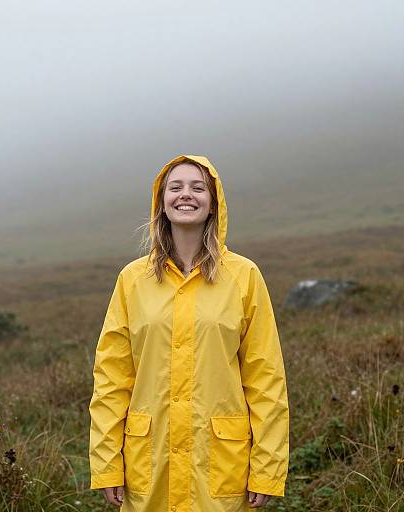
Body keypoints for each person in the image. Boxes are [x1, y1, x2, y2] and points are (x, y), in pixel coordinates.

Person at [88, 155, 289, 511]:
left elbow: (266, 380)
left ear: (213, 204)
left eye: (198, 188)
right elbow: (112, 379)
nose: (186, 195)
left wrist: (267, 469)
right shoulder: (132, 280)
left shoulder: (244, 276)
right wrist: (107, 464)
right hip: (148, 464)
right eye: (175, 187)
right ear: (161, 203)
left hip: (220, 467)